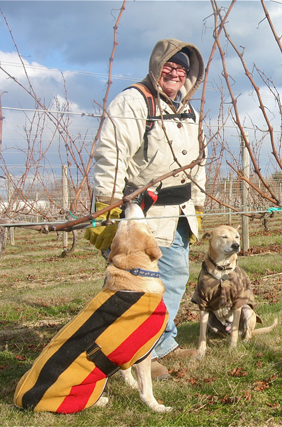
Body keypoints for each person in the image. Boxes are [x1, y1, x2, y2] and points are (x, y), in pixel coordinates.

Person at [85, 39, 206, 380]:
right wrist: (107, 208)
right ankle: (139, 352)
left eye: (182, 69)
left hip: (178, 212)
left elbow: (199, 161)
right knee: (138, 288)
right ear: (156, 67)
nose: (175, 74)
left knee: (175, 278)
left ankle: (162, 342)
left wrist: (197, 203)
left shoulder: (187, 111)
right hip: (143, 214)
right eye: (169, 66)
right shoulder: (134, 101)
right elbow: (113, 153)